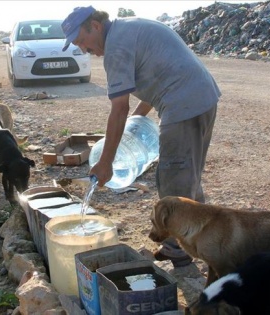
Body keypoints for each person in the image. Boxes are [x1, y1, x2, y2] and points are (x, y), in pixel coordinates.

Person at [62, 6, 221, 267]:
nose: (82, 49)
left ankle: (179, 250)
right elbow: (155, 77)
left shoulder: (115, 48)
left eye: (81, 41)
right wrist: (134, 125)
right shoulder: (127, 29)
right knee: (187, 176)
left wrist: (106, 162)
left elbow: (119, 108)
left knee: (173, 178)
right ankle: (198, 241)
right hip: (200, 97)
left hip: (184, 103)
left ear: (95, 25)